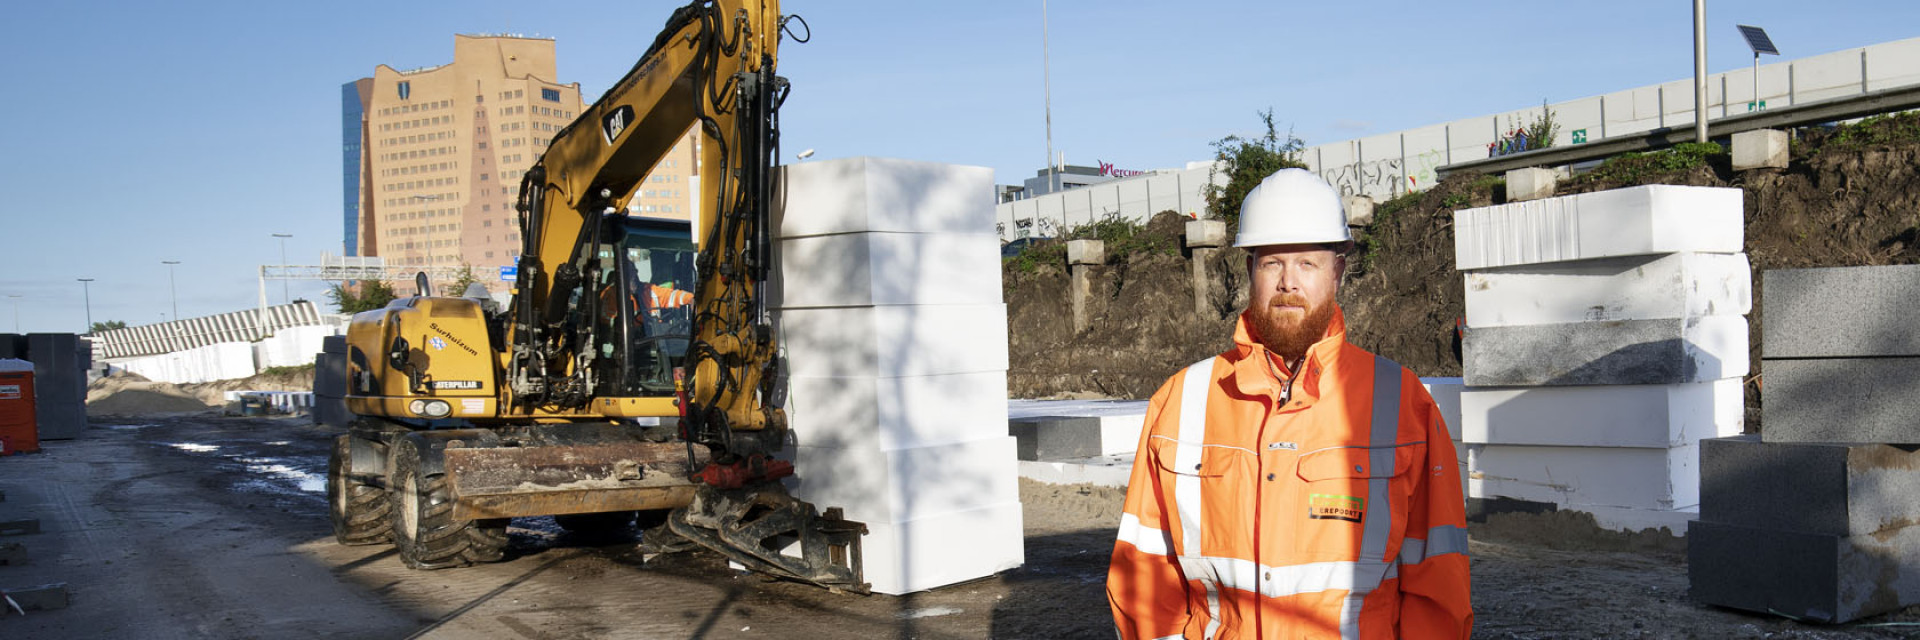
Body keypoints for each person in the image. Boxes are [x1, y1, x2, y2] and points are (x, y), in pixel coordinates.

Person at [1106, 168, 1472, 639]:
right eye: (1273, 263)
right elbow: (1144, 575)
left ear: (1338, 271)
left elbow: (1437, 588)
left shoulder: (1404, 405)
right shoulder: (1181, 401)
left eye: (1307, 264)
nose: (1288, 283)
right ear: (1249, 271)